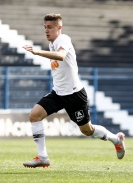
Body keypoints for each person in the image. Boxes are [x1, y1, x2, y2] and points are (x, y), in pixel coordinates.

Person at [22, 13, 126, 168]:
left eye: (50, 27)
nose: (46, 30)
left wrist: (38, 52)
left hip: (74, 95)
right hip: (58, 93)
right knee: (34, 116)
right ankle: (43, 157)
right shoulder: (52, 44)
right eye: (45, 27)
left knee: (87, 130)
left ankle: (116, 140)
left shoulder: (63, 39)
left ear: (59, 28)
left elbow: (61, 56)